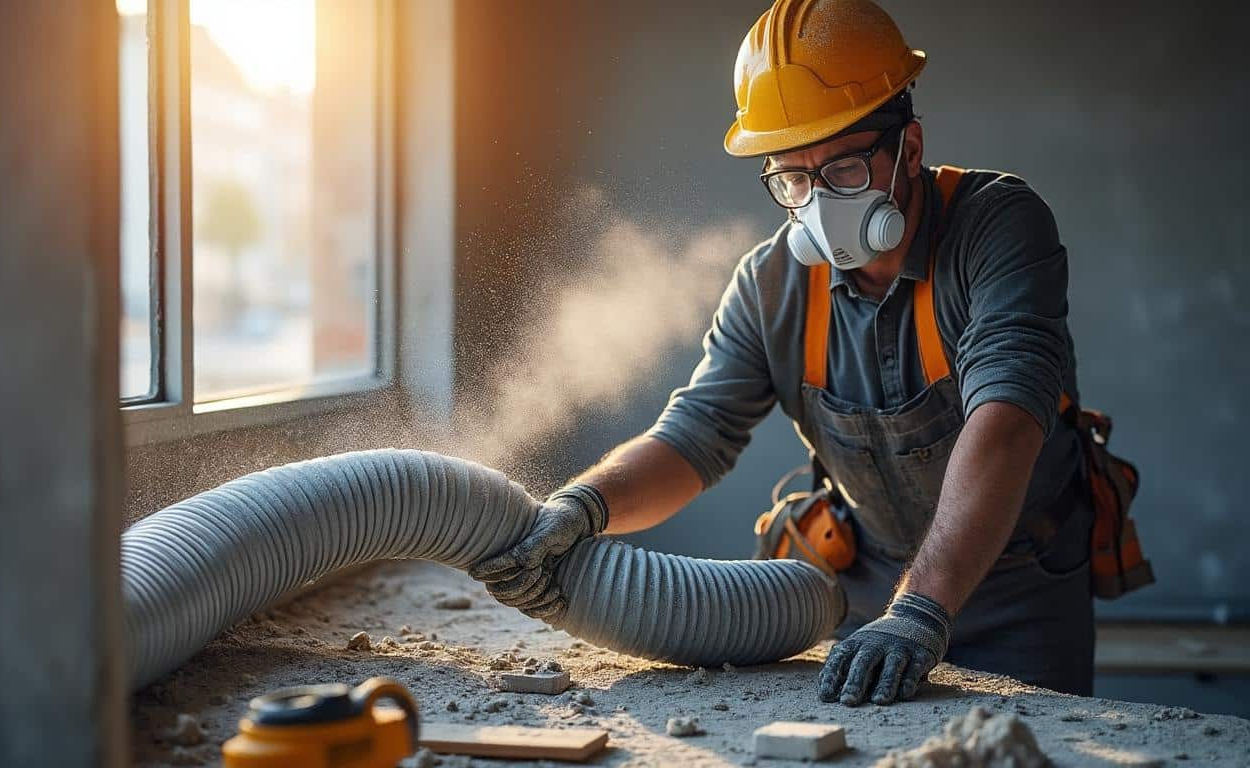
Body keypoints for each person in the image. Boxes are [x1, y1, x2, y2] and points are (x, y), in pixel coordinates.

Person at [469, 0, 1095, 705]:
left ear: (909, 151)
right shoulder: (772, 283)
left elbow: (1008, 419)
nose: (819, 203)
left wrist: (923, 610)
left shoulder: (997, 225)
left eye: (846, 170)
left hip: (1017, 590)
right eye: (793, 179)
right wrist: (585, 506)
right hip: (869, 593)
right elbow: (692, 438)